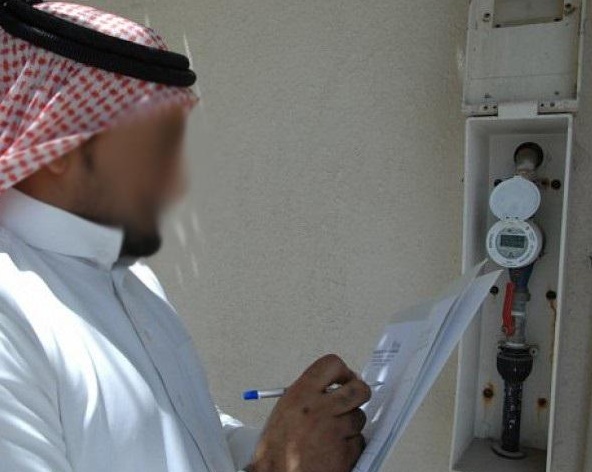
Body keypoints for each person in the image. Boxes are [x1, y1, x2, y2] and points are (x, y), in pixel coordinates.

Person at [0, 2, 370, 472]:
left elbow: (190, 437)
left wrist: (298, 437)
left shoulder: (135, 281)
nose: (174, 179)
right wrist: (276, 465)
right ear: (59, 145)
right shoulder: (9, 316)